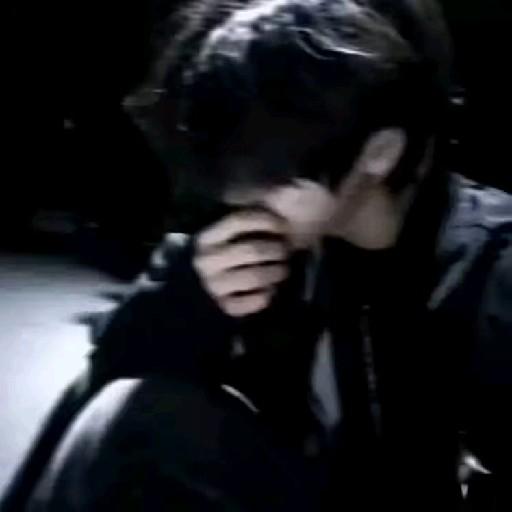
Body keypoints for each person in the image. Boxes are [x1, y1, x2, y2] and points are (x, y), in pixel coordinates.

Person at [3, 0, 511, 510]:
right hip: (314, 489)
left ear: (379, 153)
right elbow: (114, 371)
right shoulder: (251, 237)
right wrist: (189, 299)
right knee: (130, 411)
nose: (241, 196)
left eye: (275, 177)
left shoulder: (492, 270)